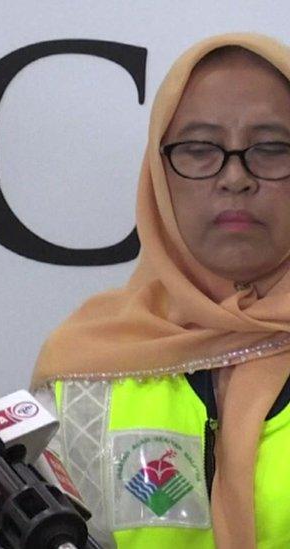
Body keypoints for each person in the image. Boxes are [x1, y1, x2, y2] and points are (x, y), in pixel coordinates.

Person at [33, 34, 290, 548]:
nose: (235, 177)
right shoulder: (83, 372)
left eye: (272, 149)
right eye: (199, 149)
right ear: (158, 173)